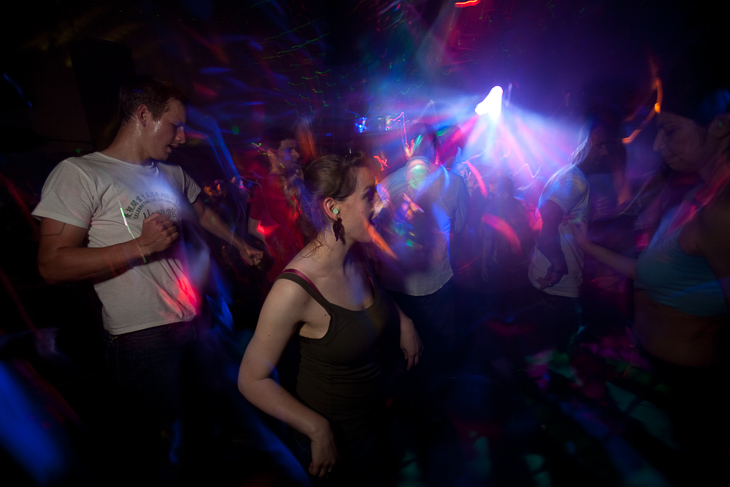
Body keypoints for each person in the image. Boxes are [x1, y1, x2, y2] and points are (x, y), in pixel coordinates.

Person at [31, 76, 264, 483]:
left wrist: (238, 243)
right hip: (140, 338)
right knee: (161, 449)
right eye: (174, 125)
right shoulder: (81, 173)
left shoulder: (171, 174)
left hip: (194, 323)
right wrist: (140, 246)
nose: (181, 136)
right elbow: (51, 265)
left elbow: (200, 211)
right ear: (143, 115)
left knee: (206, 430)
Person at [569, 70, 730, 485]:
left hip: (696, 386)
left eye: (670, 131)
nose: (657, 145)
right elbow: (651, 271)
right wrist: (590, 248)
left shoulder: (724, 213)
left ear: (721, 126)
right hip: (663, 372)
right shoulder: (698, 193)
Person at [238, 152, 422, 486]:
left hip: (376, 418)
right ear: (333, 208)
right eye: (369, 195)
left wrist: (403, 319)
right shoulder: (294, 289)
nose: (381, 203)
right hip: (338, 445)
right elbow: (251, 380)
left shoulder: (355, 250)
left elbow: (369, 292)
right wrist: (316, 427)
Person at [525, 115, 621, 355]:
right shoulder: (575, 180)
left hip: (548, 282)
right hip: (556, 287)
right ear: (584, 143)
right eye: (599, 145)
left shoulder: (569, 175)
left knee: (544, 351)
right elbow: (547, 216)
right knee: (552, 355)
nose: (604, 153)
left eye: (607, 146)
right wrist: (558, 264)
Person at [247, 126, 307, 286]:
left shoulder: (267, 184)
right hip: (293, 270)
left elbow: (252, 227)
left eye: (295, 149)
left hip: (289, 267)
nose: (296, 154)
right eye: (289, 150)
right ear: (272, 153)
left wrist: (272, 242)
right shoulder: (272, 184)